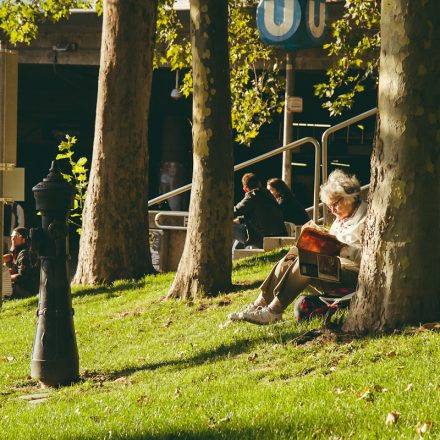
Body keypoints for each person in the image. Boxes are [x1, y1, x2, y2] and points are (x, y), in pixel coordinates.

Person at [229, 169, 367, 324]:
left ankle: (274, 311)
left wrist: (343, 249)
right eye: (329, 207)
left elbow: (371, 258)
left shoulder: (367, 219)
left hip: (353, 275)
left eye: (335, 204)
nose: (333, 211)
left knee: (307, 261)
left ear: (350, 197)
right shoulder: (341, 218)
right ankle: (258, 305)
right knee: (293, 254)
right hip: (334, 269)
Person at [233, 173, 287, 250]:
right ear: (259, 183)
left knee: (228, 226)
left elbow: (235, 211)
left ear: (245, 189)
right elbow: (260, 214)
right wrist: (241, 219)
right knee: (241, 227)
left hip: (264, 239)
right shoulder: (269, 194)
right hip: (279, 235)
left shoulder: (252, 195)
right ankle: (235, 253)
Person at [3, 227, 39, 299]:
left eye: (16, 236)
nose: (12, 239)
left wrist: (5, 278)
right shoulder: (16, 254)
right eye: (12, 236)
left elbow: (21, 277)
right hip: (22, 288)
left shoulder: (24, 255)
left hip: (28, 292)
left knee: (4, 284)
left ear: (23, 240)